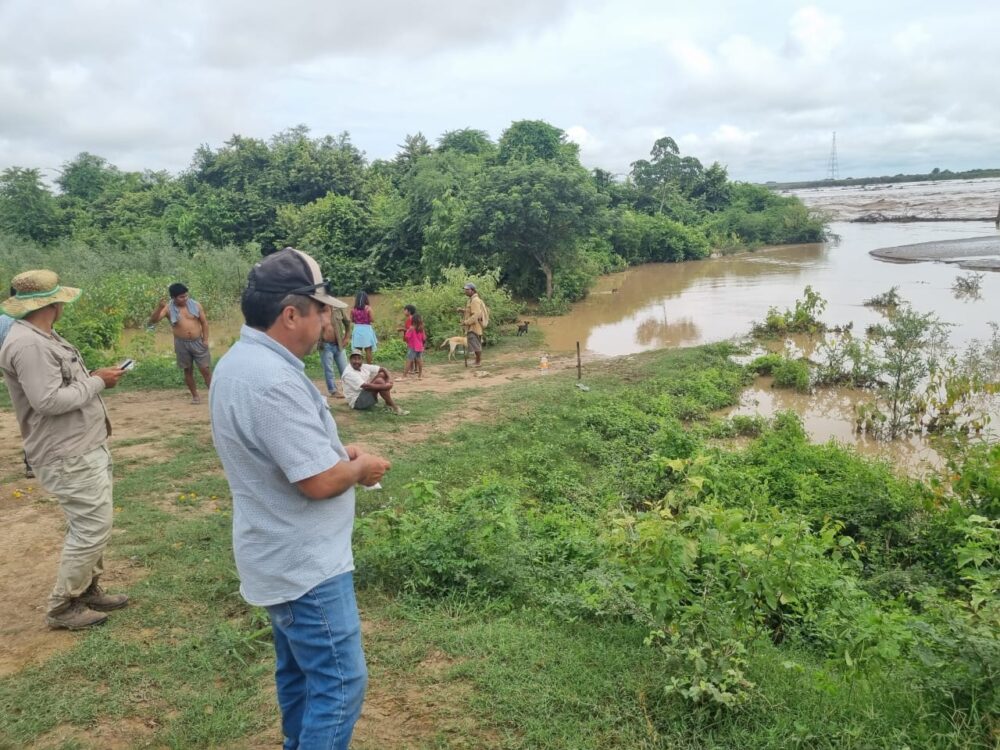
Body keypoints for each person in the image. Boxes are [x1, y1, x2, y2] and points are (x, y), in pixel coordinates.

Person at [210, 247, 392, 750]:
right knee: (339, 683)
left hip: (279, 554)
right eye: (321, 310)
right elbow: (316, 483)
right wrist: (358, 468)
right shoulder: (270, 381)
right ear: (292, 314)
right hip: (306, 567)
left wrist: (336, 452)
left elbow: (295, 455)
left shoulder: (243, 362)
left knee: (299, 675)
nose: (327, 320)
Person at [0, 270, 130, 630]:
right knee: (90, 528)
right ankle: (63, 606)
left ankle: (87, 590)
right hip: (66, 452)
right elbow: (48, 401)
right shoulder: (28, 344)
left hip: (81, 445)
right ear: (52, 304)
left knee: (96, 524)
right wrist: (98, 382)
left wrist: (94, 380)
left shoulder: (42, 336)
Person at [148, 283, 212, 404]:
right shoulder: (167, 308)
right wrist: (159, 308)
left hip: (198, 342)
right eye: (181, 297)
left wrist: (205, 340)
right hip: (181, 344)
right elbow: (153, 321)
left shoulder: (196, 305)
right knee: (187, 370)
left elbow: (204, 323)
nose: (185, 298)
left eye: (186, 296)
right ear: (173, 297)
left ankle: (214, 394)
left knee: (205, 370)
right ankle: (195, 396)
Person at [0, 287, 33, 478]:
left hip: (12, 376)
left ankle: (32, 462)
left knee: (26, 416)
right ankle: (33, 461)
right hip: (32, 373)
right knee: (36, 416)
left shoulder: (3, 321)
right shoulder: (37, 321)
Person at [341, 350, 408, 415]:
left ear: (362, 360)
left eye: (359, 359)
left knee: (382, 374)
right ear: (350, 360)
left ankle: (389, 405)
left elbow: (383, 369)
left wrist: (390, 380)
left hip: (363, 393)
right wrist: (387, 386)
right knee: (379, 381)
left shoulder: (363, 366)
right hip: (357, 402)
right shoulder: (349, 373)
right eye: (354, 359)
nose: (357, 361)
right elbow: (366, 386)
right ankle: (394, 407)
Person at [319, 293, 351, 399]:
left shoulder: (338, 309)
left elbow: (347, 323)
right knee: (328, 369)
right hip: (325, 345)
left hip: (339, 344)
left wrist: (347, 337)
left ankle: (349, 389)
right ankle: (333, 390)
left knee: (345, 369)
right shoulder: (317, 311)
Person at [461, 282, 486, 367]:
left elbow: (475, 315)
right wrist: (463, 310)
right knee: (474, 343)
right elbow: (470, 311)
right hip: (472, 326)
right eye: (465, 290)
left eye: (467, 290)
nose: (465, 291)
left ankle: (478, 362)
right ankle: (476, 360)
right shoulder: (471, 300)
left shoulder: (475, 300)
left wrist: (466, 322)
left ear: (472, 290)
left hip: (474, 326)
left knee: (475, 344)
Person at [349, 291, 377, 364]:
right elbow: (372, 320)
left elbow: (351, 320)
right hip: (366, 329)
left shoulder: (353, 309)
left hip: (357, 329)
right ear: (366, 299)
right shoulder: (368, 308)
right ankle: (369, 366)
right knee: (368, 349)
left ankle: (358, 366)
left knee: (358, 350)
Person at [403, 313, 426, 379]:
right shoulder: (421, 328)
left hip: (412, 347)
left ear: (413, 321)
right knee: (420, 360)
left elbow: (407, 337)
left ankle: (404, 376)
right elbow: (424, 338)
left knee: (409, 360)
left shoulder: (411, 328)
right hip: (420, 347)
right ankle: (420, 375)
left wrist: (408, 331)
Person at [397, 304, 416, 377]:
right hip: (412, 339)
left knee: (410, 354)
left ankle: (411, 369)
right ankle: (414, 369)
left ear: (409, 311)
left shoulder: (410, 319)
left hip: (411, 339)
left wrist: (401, 329)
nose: (404, 312)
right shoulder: (413, 318)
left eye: (405, 310)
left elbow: (409, 329)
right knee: (414, 354)